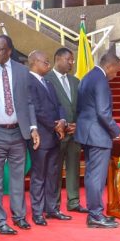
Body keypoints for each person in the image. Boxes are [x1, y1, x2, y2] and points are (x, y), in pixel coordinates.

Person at [0, 34, 39, 235]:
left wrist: (33, 127)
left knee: (17, 178)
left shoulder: (23, 71)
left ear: (9, 51)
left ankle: (19, 216)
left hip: (19, 132)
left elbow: (29, 102)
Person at [75, 51, 120, 228]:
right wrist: (118, 132)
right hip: (98, 135)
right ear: (109, 66)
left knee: (91, 175)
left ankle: (94, 213)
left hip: (88, 133)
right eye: (116, 71)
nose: (116, 75)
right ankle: (96, 215)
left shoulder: (87, 77)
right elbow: (103, 112)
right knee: (96, 177)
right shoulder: (101, 80)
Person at [27, 50, 71, 225]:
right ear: (35, 62)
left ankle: (52, 209)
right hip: (41, 136)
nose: (48, 65)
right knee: (39, 175)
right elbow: (36, 110)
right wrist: (55, 125)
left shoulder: (48, 82)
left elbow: (59, 105)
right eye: (45, 62)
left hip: (54, 136)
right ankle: (38, 212)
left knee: (53, 174)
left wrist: (62, 121)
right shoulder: (29, 82)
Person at [45, 47, 86, 213]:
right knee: (54, 170)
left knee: (74, 168)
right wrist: (57, 124)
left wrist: (78, 125)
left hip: (74, 133)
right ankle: (54, 205)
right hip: (56, 133)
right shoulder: (46, 79)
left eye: (73, 60)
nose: (72, 63)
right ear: (58, 59)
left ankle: (73, 201)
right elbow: (45, 107)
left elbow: (81, 108)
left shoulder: (76, 81)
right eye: (69, 59)